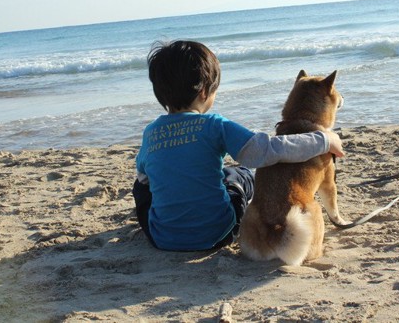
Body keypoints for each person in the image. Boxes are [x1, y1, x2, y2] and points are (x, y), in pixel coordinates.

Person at [133, 40, 344, 251]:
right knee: (240, 174)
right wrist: (324, 139)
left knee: (141, 186)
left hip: (163, 239)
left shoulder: (151, 132)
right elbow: (265, 151)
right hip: (218, 233)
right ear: (204, 92)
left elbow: (145, 178)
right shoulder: (215, 125)